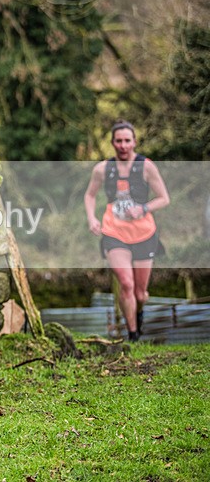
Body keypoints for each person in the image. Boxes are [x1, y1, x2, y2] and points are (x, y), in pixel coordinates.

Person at [84, 120, 170, 341]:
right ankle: (133, 335)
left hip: (144, 233)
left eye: (127, 141)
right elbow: (90, 195)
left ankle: (138, 312)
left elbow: (164, 198)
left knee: (140, 292)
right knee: (126, 283)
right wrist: (92, 218)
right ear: (112, 143)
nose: (123, 145)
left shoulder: (147, 166)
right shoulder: (102, 169)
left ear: (134, 142)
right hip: (114, 232)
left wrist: (143, 208)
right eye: (118, 141)